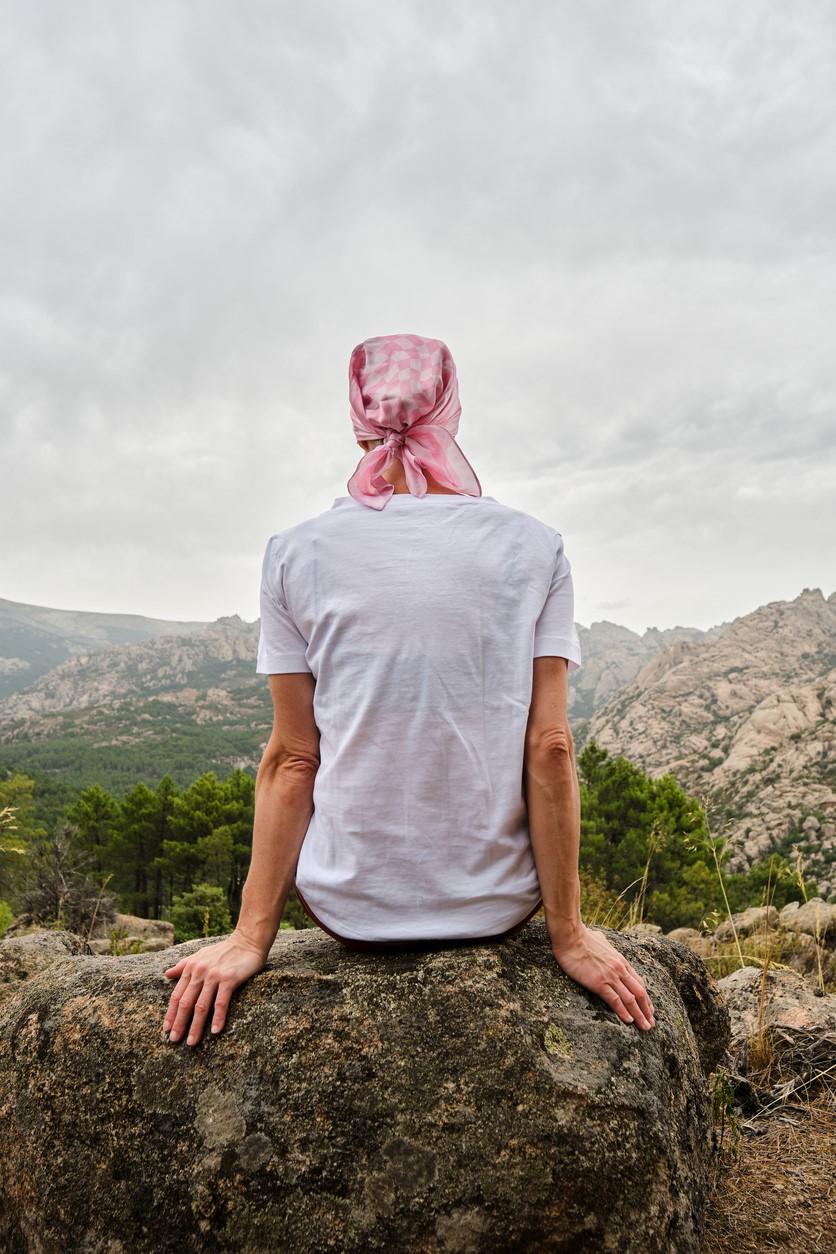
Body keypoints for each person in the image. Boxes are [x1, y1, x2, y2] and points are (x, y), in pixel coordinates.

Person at [163, 333, 656, 1044]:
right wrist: (569, 934)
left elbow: (293, 758)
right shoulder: (536, 546)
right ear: (450, 411)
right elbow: (550, 747)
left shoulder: (292, 553)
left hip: (352, 912)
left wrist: (248, 937)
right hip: (493, 911)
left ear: (359, 421)